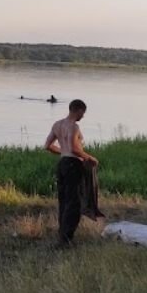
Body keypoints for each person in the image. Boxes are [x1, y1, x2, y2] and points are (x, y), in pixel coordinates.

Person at [44, 99, 97, 246]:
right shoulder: (74, 126)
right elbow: (74, 148)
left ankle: (62, 234)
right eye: (83, 113)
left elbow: (47, 146)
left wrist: (63, 151)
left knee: (64, 200)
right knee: (74, 202)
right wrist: (89, 158)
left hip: (62, 164)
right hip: (73, 165)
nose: (83, 116)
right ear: (78, 110)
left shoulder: (57, 124)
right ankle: (66, 239)